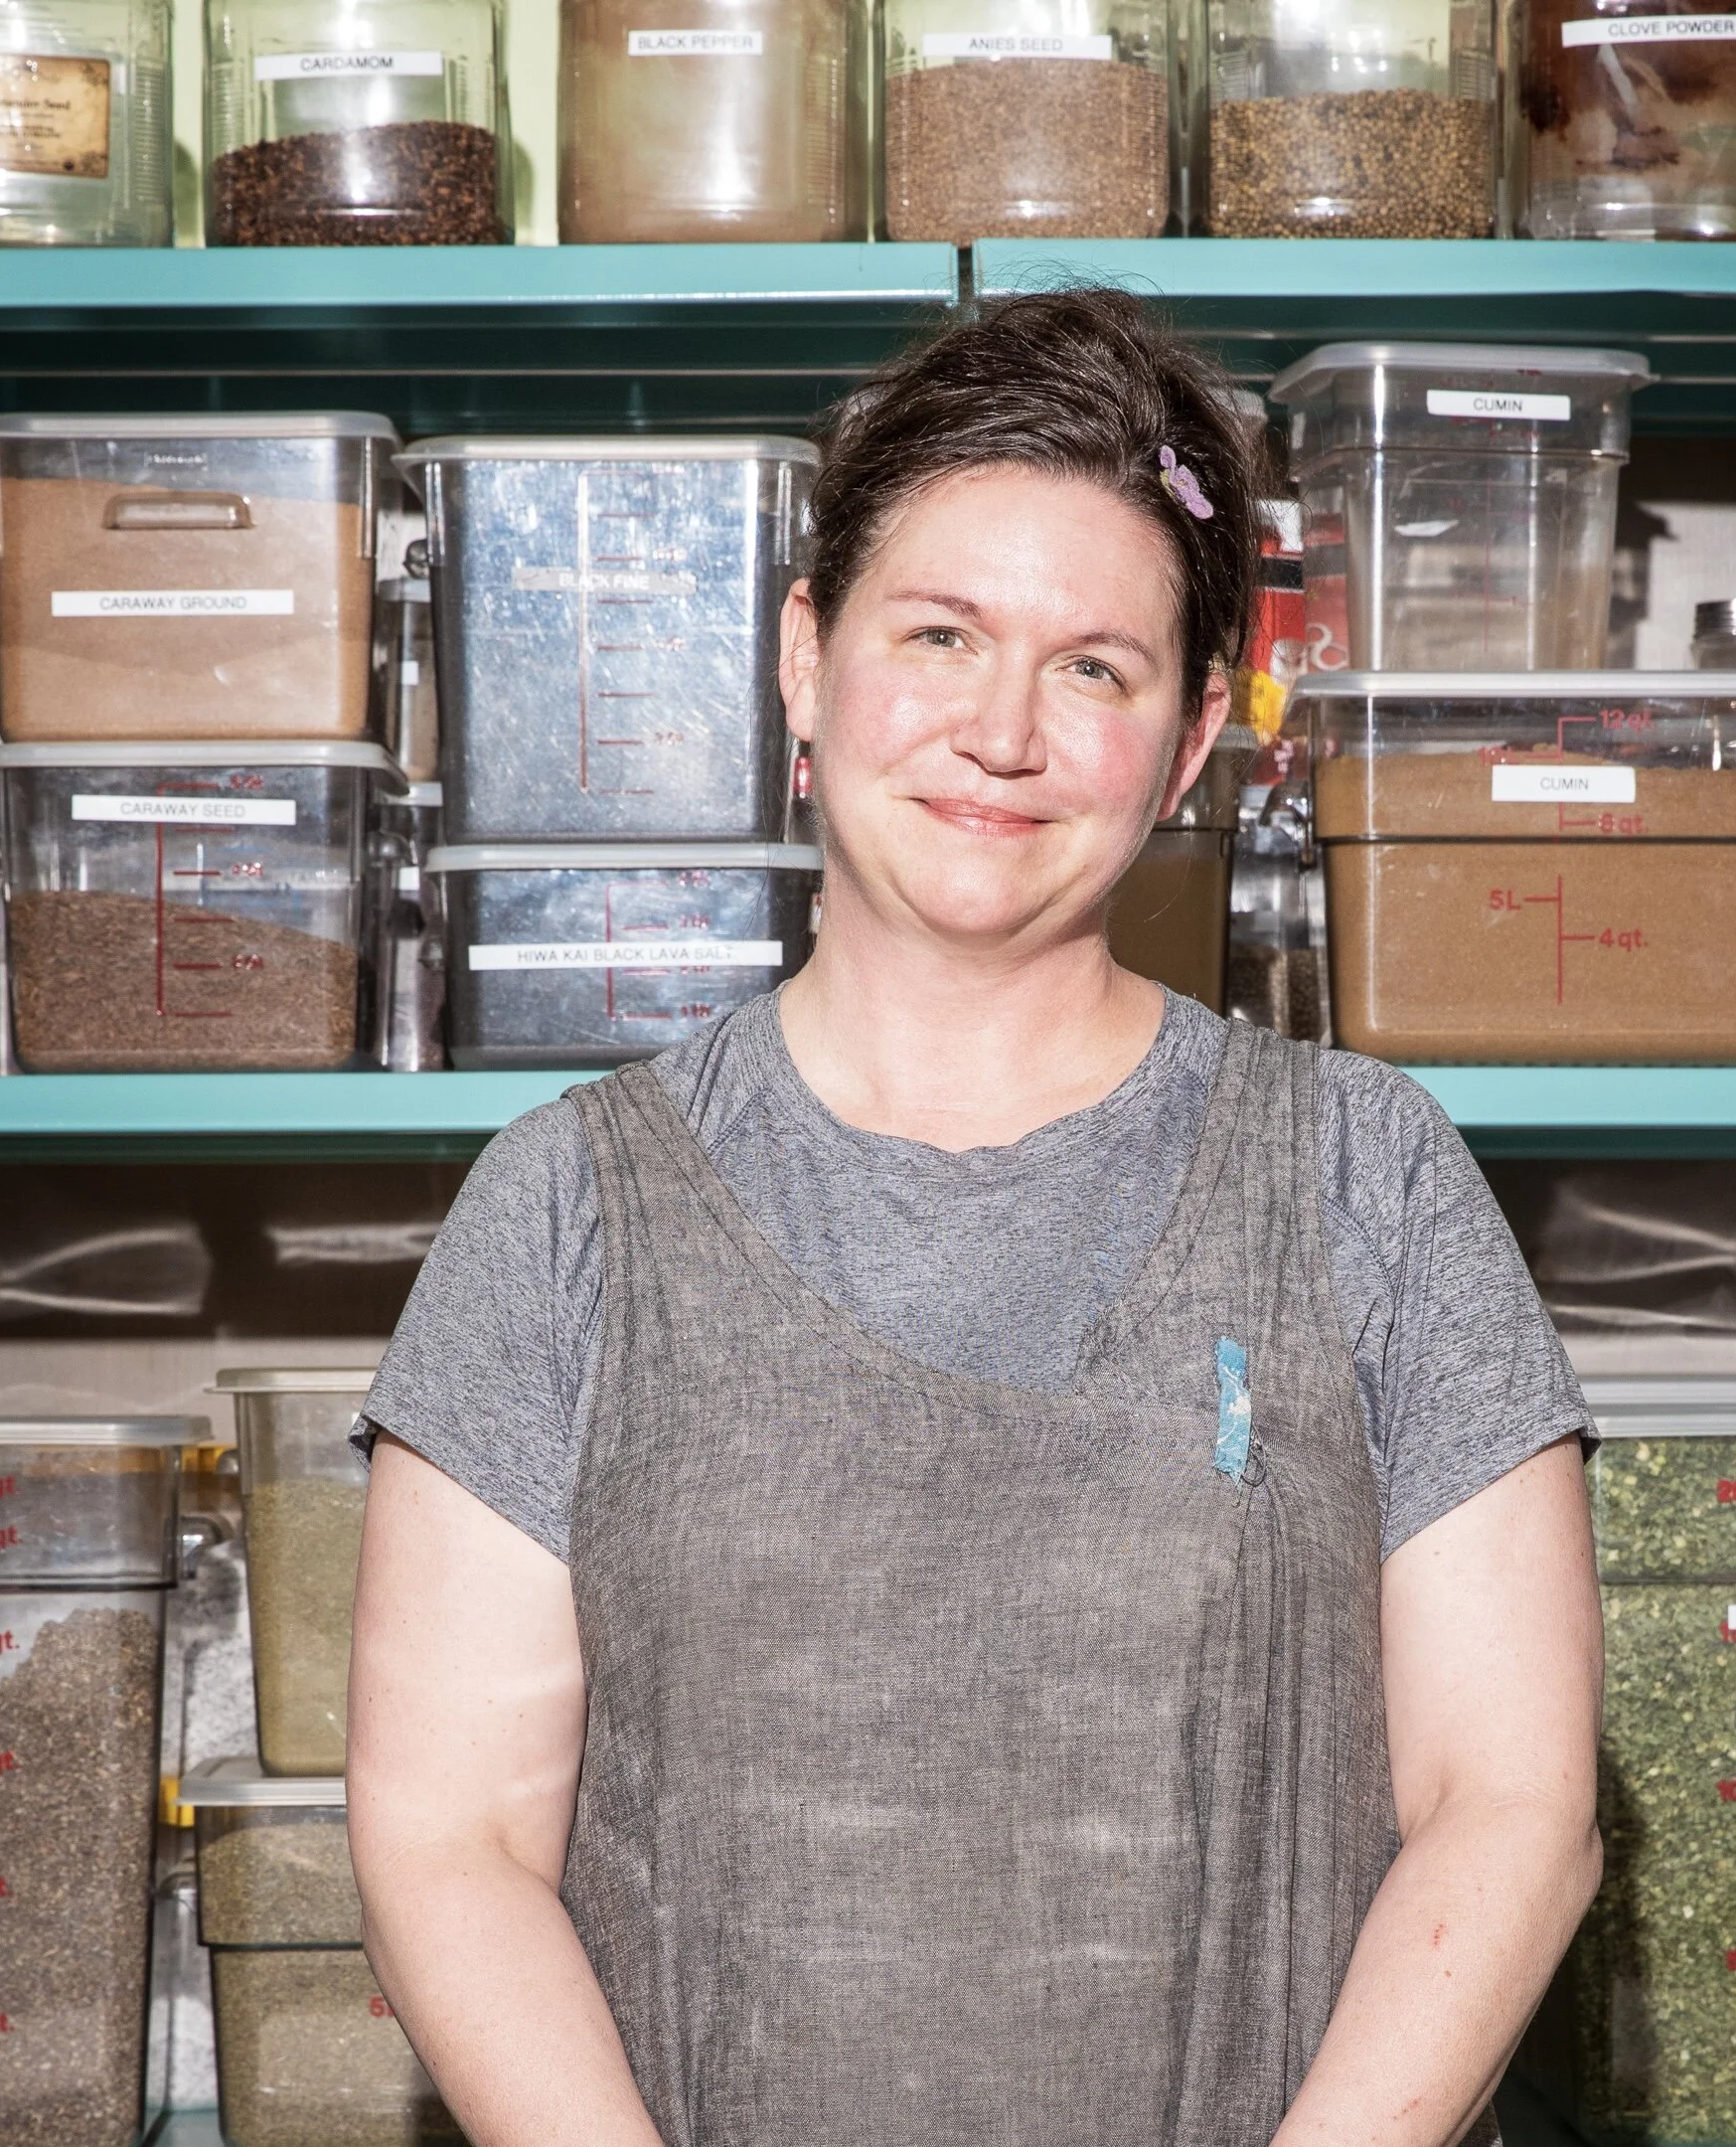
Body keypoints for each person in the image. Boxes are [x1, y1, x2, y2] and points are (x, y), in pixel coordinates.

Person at [347, 288, 1604, 2147]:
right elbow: (448, 1838)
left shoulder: (1370, 1177)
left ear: (1191, 741)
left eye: (1096, 669)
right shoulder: (564, 1209)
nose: (1001, 732)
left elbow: (1514, 1810)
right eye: (940, 635)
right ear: (805, 657)